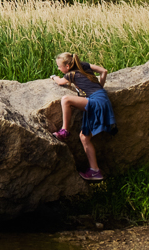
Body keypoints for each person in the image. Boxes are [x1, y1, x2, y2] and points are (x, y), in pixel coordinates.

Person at [49, 52, 116, 181]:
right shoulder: (83, 65)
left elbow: (60, 82)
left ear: (67, 66)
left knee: (66, 100)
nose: (58, 68)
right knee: (84, 137)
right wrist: (100, 86)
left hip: (95, 101)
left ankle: (64, 131)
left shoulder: (70, 74)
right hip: (103, 98)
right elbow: (104, 71)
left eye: (59, 66)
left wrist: (53, 77)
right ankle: (95, 171)